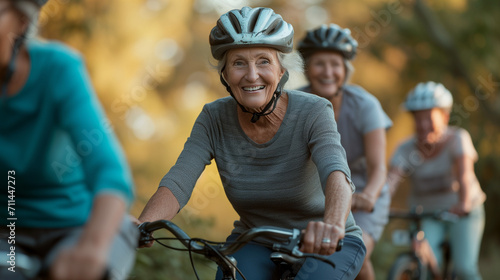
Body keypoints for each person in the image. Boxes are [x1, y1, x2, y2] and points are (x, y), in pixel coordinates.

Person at [136, 6, 366, 279]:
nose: (252, 75)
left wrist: (333, 225)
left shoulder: (314, 111)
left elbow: (336, 174)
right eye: (239, 63)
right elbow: (179, 180)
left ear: (282, 71)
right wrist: (143, 224)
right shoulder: (213, 117)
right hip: (255, 241)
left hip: (328, 241)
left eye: (263, 61)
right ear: (225, 74)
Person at [0, 0, 138, 279]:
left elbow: (111, 173)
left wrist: (93, 246)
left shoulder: (58, 69)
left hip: (76, 226)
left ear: (23, 21)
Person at [297, 24, 392, 280]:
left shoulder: (365, 105)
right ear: (307, 68)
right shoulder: (295, 103)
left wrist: (370, 195)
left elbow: (378, 167)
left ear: (345, 70)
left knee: (353, 254)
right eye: (319, 64)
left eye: (335, 64)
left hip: (363, 192)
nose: (328, 72)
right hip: (320, 193)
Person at [388, 81, 486, 280]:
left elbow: (464, 175)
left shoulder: (458, 139)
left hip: (462, 211)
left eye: (429, 118)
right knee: (423, 263)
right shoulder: (405, 149)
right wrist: (379, 203)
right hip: (427, 212)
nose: (423, 125)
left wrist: (464, 203)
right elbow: (391, 181)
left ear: (445, 117)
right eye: (418, 119)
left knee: (465, 269)